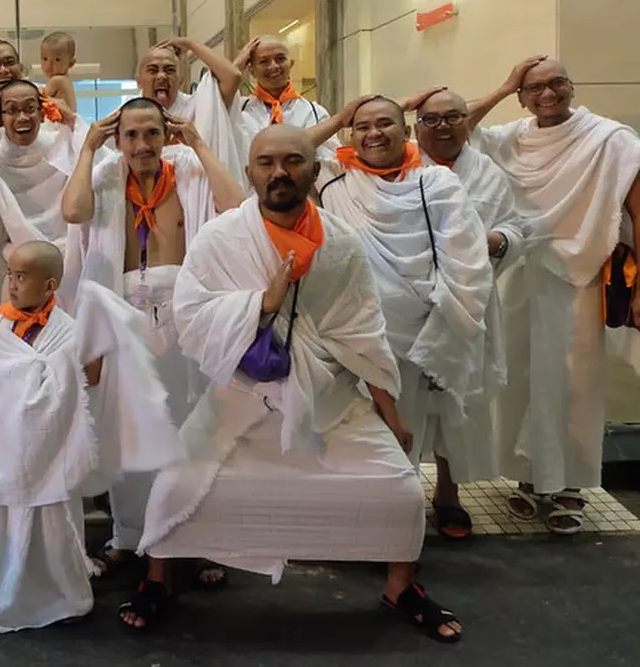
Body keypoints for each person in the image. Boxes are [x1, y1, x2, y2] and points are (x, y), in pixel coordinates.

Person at [127, 124, 462, 644]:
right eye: (266, 162)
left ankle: (401, 588)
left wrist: (390, 416)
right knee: (173, 485)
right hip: (241, 394)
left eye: (292, 161)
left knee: (399, 488)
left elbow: (361, 334)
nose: (279, 173)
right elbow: (191, 317)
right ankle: (158, 581)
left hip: (327, 400)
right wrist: (260, 303)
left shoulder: (342, 243)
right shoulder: (220, 238)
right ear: (249, 171)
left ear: (316, 167)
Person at [60, 97, 245, 582]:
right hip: (123, 316)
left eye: (152, 134)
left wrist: (200, 143)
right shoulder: (103, 177)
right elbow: (73, 212)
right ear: (116, 140)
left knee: (191, 430)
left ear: (168, 135)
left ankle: (196, 539)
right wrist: (85, 151)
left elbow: (237, 206)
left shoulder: (188, 171)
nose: (142, 145)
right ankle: (128, 534)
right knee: (126, 430)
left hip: (185, 318)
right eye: (131, 135)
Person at [465, 56, 640, 534]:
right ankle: (528, 477)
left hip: (578, 275)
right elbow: (461, 128)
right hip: (519, 271)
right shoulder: (511, 137)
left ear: (572, 86)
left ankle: (568, 486)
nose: (547, 94)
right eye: (534, 87)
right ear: (522, 96)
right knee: (517, 377)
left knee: (573, 382)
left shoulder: (610, 139)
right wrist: (503, 85)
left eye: (557, 83)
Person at [0, 241, 181, 633]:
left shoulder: (69, 330)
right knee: (8, 517)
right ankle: (4, 591)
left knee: (51, 520)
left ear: (50, 285)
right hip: (8, 448)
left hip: (49, 451)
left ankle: (58, 591)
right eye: (10, 275)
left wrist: (74, 359)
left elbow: (89, 379)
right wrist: (27, 380)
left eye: (21, 276)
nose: (12, 285)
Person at [311, 96, 495, 524]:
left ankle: (442, 500)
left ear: (406, 131)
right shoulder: (333, 183)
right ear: (349, 135)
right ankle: (381, 519)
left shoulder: (438, 184)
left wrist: (448, 333)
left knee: (440, 419)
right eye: (361, 127)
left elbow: (466, 262)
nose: (373, 134)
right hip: (359, 336)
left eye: (384, 124)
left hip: (428, 327)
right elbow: (288, 150)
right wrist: (338, 117)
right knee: (368, 435)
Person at [411, 88, 527, 538]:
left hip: (468, 301)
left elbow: (518, 228)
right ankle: (403, 491)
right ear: (415, 126)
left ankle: (448, 492)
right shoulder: (396, 168)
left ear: (466, 122)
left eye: (452, 117)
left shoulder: (488, 174)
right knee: (405, 401)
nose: (442, 126)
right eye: (431, 119)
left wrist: (494, 240)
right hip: (408, 300)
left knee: (456, 401)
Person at [0, 80, 87, 257]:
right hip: (18, 264)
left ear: (42, 113)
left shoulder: (60, 146)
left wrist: (72, 120)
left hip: (71, 255)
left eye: (29, 108)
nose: (22, 117)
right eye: (12, 110)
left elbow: (100, 170)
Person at [133, 37, 246, 181]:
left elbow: (232, 76)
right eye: (153, 70)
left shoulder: (199, 105)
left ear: (181, 81)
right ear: (139, 81)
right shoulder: (127, 117)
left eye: (170, 70)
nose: (162, 76)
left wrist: (189, 44)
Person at [231, 35, 336, 162]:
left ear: (291, 64)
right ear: (251, 70)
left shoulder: (315, 113)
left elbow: (331, 160)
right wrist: (237, 65)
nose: (274, 66)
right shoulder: (238, 109)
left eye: (280, 59)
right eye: (264, 61)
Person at [40, 31, 78, 110]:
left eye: (57, 60)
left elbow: (39, 98)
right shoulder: (66, 80)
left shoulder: (57, 80)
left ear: (71, 63)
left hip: (60, 122)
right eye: (45, 59)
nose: (49, 65)